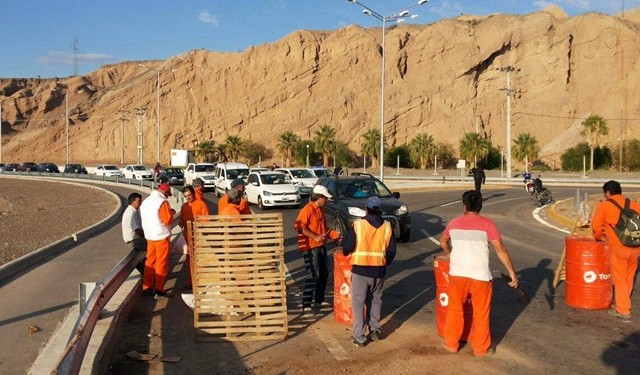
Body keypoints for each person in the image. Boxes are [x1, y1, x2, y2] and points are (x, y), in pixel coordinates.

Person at [439, 190, 518, 357]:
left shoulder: (453, 223)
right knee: (481, 313)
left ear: (464, 207)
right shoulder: (488, 224)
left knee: (455, 310)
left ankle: (451, 344)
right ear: (480, 206)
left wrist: (449, 254)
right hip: (480, 276)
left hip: (457, 274)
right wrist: (512, 273)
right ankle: (481, 349)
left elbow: (443, 241)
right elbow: (500, 250)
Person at [341, 196, 396, 347]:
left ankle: (359, 337)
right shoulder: (387, 226)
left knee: (359, 303)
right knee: (376, 300)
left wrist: (345, 250)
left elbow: (347, 247)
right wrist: (384, 263)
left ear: (366, 209)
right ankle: (375, 330)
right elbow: (391, 251)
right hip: (379, 271)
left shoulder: (358, 225)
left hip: (361, 271)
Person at [591, 180, 640, 320]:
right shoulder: (633, 204)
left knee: (619, 277)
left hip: (618, 247)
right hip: (635, 246)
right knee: (629, 276)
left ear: (607, 193)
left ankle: (623, 309)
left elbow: (596, 226)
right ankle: (622, 301)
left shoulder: (605, 205)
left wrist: (599, 237)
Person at [294, 185, 341, 312]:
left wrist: (335, 236)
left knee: (324, 273)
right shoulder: (307, 209)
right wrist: (314, 236)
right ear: (319, 197)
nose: (326, 201)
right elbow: (299, 227)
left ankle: (319, 300)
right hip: (310, 247)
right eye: (325, 198)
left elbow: (324, 231)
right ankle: (306, 304)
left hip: (320, 246)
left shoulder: (320, 210)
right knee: (313, 275)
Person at [140, 183, 176, 297]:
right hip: (161, 236)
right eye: (168, 194)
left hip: (150, 236)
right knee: (161, 263)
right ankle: (159, 288)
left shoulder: (146, 201)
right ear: (165, 192)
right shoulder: (162, 202)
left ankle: (147, 286)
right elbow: (167, 220)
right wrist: (172, 212)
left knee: (150, 262)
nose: (168, 197)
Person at [179, 185, 210, 290]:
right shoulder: (184, 206)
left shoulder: (201, 204)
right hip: (187, 239)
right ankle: (191, 282)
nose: (188, 197)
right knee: (189, 261)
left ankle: (199, 282)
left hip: (197, 238)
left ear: (193, 194)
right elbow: (181, 220)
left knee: (198, 261)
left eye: (189, 195)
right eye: (186, 196)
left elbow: (206, 221)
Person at [121, 193, 146, 274]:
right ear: (132, 202)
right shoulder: (130, 213)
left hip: (137, 240)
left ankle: (145, 268)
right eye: (139, 201)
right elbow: (138, 230)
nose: (141, 202)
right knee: (156, 245)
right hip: (135, 241)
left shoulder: (134, 211)